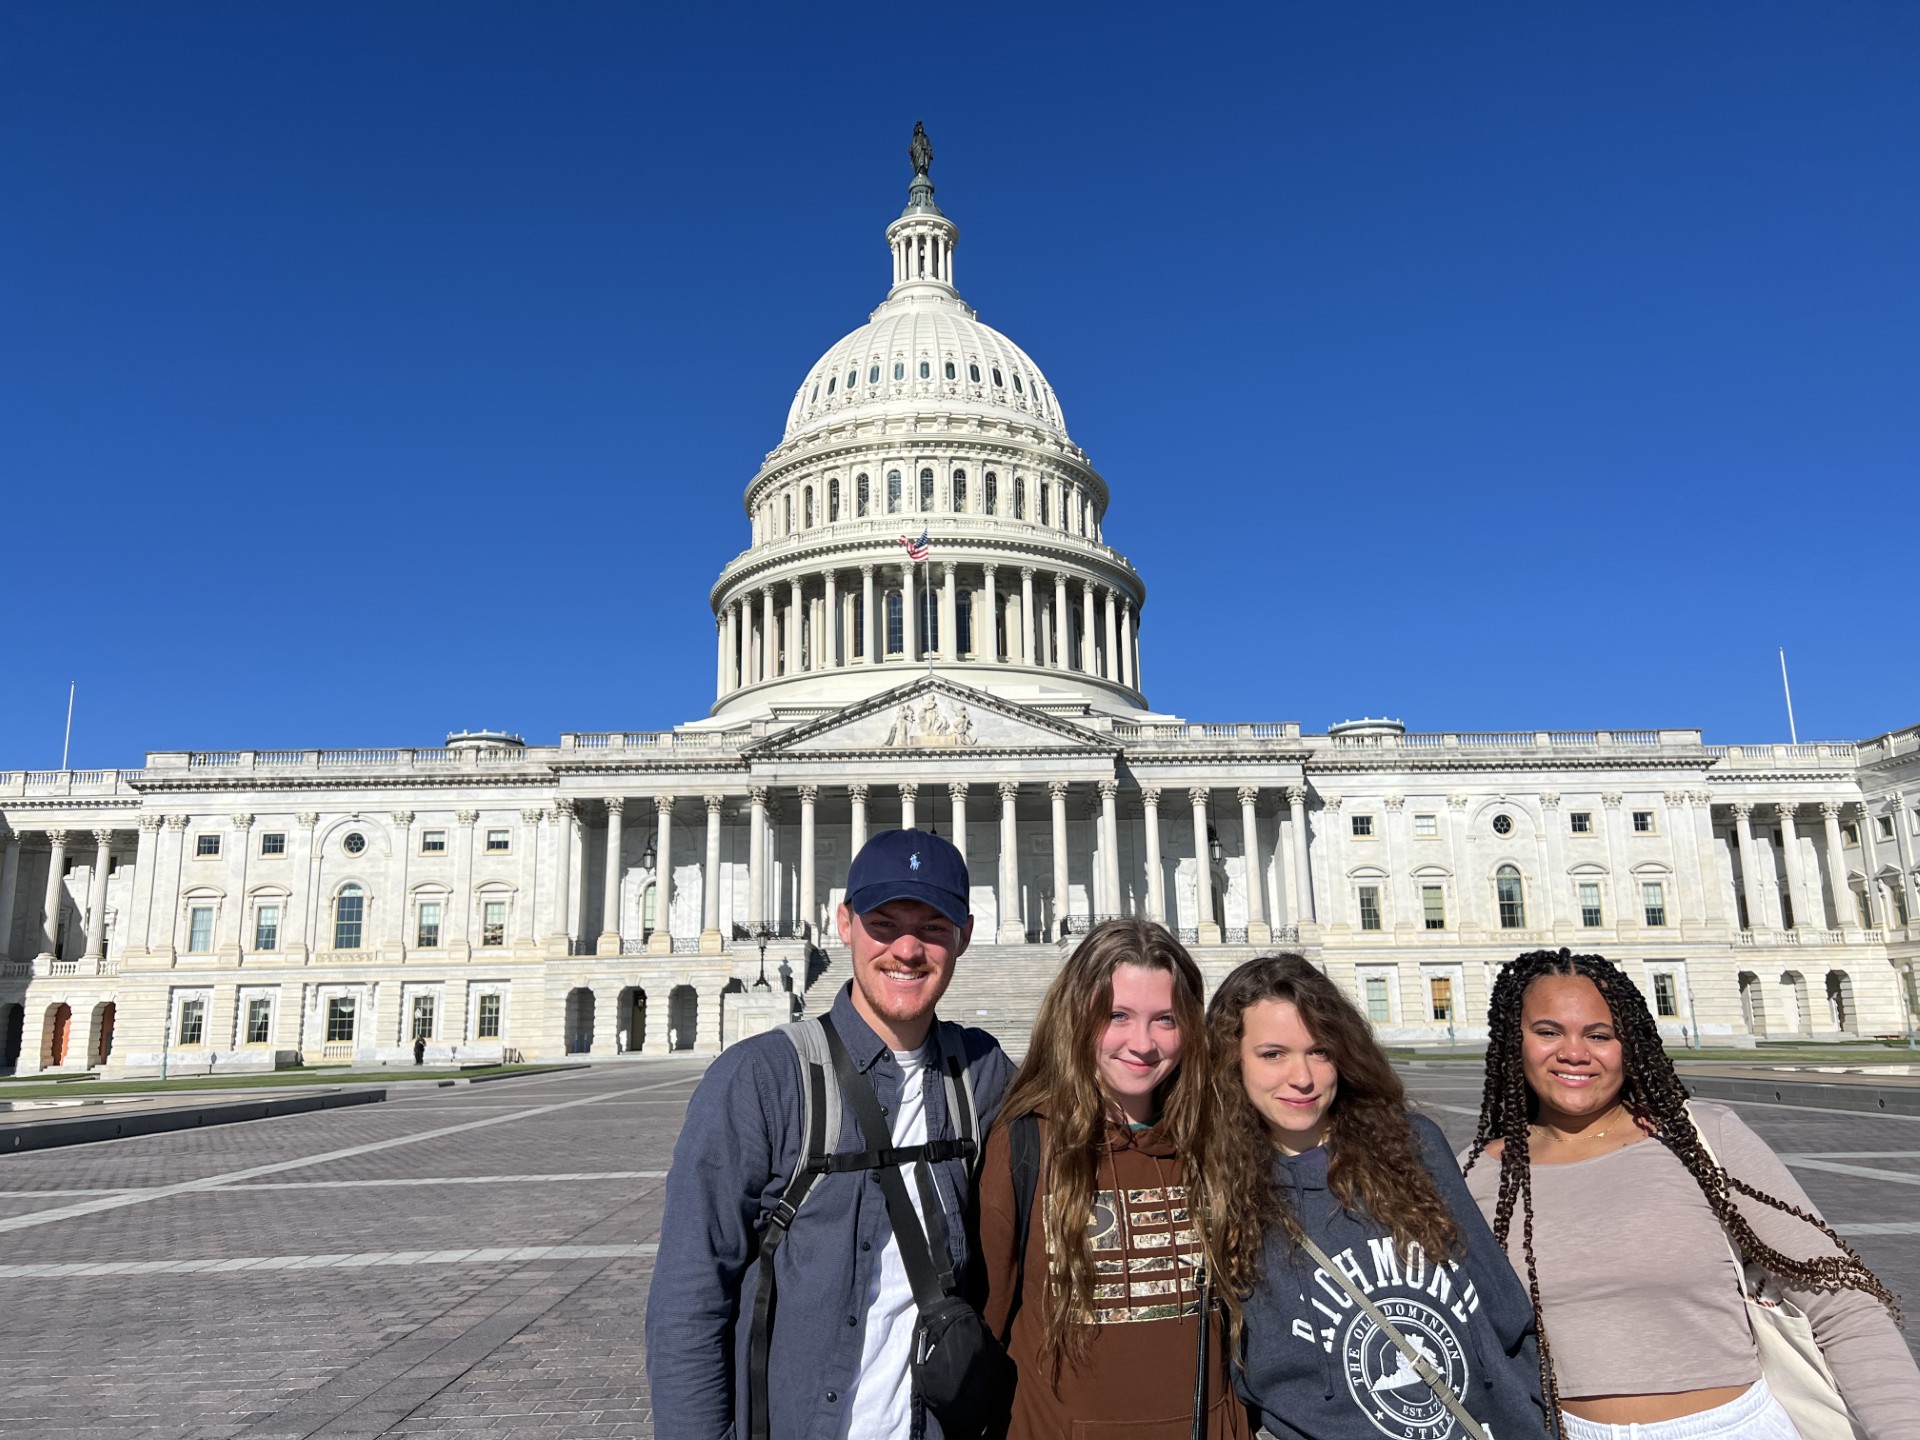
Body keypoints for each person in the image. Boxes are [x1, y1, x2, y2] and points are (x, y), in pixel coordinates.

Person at [645, 828, 1015, 1440]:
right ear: (843, 924)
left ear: (964, 936)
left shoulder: (981, 1074)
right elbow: (690, 1294)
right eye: (884, 923)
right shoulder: (761, 1078)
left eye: (933, 927)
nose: (907, 949)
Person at [1464, 948, 1920, 1440]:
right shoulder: (1476, 1175)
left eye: (1599, 1035)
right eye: (1549, 1031)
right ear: (1516, 1042)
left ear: (1629, 1045)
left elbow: (1839, 1301)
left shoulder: (1701, 1138)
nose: (1575, 1052)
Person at [1206, 954, 1545, 1440]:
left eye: (1320, 1051)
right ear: (1231, 1061)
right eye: (1273, 1054)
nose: (1302, 1077)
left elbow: (1504, 1310)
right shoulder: (1219, 1187)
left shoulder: (1413, 1144)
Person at [975, 919, 1247, 1440]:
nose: (1142, 1043)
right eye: (1117, 1016)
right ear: (1078, 1016)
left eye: (1165, 1019)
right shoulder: (1027, 1144)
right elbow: (989, 1317)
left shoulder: (1215, 1138)